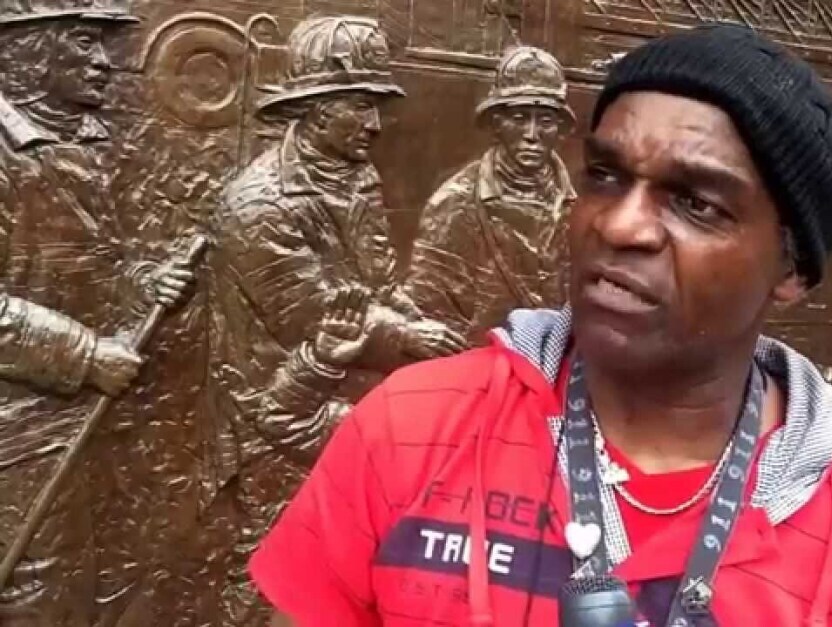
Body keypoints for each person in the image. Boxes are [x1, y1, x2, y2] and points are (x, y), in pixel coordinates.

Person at [249, 24, 832, 626]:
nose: (619, 224)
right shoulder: (406, 426)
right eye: (605, 176)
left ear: (792, 269)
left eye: (696, 203)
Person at [208, 16, 466, 622]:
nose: (376, 124)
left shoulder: (356, 176)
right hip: (278, 417)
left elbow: (376, 282)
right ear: (318, 111)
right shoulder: (259, 205)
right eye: (361, 106)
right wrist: (411, 335)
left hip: (353, 408)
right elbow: (314, 315)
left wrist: (416, 316)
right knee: (276, 583)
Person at [0, 1, 197, 622]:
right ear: (30, 49)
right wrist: (84, 355)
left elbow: (91, 264)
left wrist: (146, 282)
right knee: (39, 597)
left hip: (85, 423)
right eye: (85, 41)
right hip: (19, 436)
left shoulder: (83, 142)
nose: (106, 61)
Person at [406, 45, 577, 346]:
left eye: (546, 121)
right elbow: (431, 315)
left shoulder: (579, 205)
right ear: (497, 124)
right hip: (480, 362)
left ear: (560, 128)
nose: (532, 134)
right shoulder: (454, 203)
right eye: (519, 118)